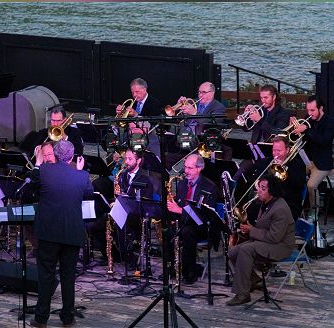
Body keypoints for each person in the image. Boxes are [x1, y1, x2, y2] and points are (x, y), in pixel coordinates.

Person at [31, 140, 93, 328]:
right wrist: (80, 170)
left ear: (55, 155)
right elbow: (88, 193)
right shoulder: (82, 176)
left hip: (48, 233)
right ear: (73, 157)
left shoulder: (44, 171)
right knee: (68, 278)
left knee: (45, 276)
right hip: (71, 233)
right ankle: (67, 318)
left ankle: (41, 319)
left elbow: (32, 183)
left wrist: (37, 162)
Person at [226, 174, 295, 306]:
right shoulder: (266, 203)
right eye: (259, 187)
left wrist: (251, 230)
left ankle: (242, 294)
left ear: (272, 191)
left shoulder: (280, 209)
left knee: (246, 250)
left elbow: (274, 237)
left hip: (280, 246)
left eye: (263, 188)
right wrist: (248, 227)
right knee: (233, 252)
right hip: (267, 242)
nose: (259, 191)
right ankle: (253, 279)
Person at [167, 153, 218, 284]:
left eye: (190, 168)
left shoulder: (210, 187)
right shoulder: (183, 184)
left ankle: (189, 271)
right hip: (185, 222)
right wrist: (173, 215)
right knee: (168, 230)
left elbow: (204, 215)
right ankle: (173, 267)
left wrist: (179, 210)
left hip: (202, 225)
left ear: (199, 168)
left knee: (187, 232)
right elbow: (179, 204)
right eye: (185, 167)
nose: (186, 171)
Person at [291, 95, 334, 218]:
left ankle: (315, 211)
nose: (309, 114)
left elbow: (324, 141)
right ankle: (296, 207)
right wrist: (295, 129)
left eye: (312, 110)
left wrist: (306, 130)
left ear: (321, 109)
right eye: (308, 110)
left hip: (322, 163)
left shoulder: (330, 122)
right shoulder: (308, 119)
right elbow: (300, 139)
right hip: (307, 160)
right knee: (292, 175)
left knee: (311, 185)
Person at [249, 135, 306, 221]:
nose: (276, 154)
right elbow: (255, 178)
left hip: (288, 202)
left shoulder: (298, 164)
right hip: (267, 200)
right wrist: (257, 183)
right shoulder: (267, 161)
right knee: (251, 211)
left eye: (279, 151)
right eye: (274, 150)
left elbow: (299, 185)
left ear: (287, 150)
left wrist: (285, 171)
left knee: (273, 217)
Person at [114, 78, 163, 157]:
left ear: (144, 89)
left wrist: (136, 115)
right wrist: (120, 113)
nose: (134, 95)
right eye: (132, 92)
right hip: (132, 136)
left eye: (137, 92)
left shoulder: (154, 103)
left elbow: (154, 122)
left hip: (148, 138)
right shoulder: (132, 102)